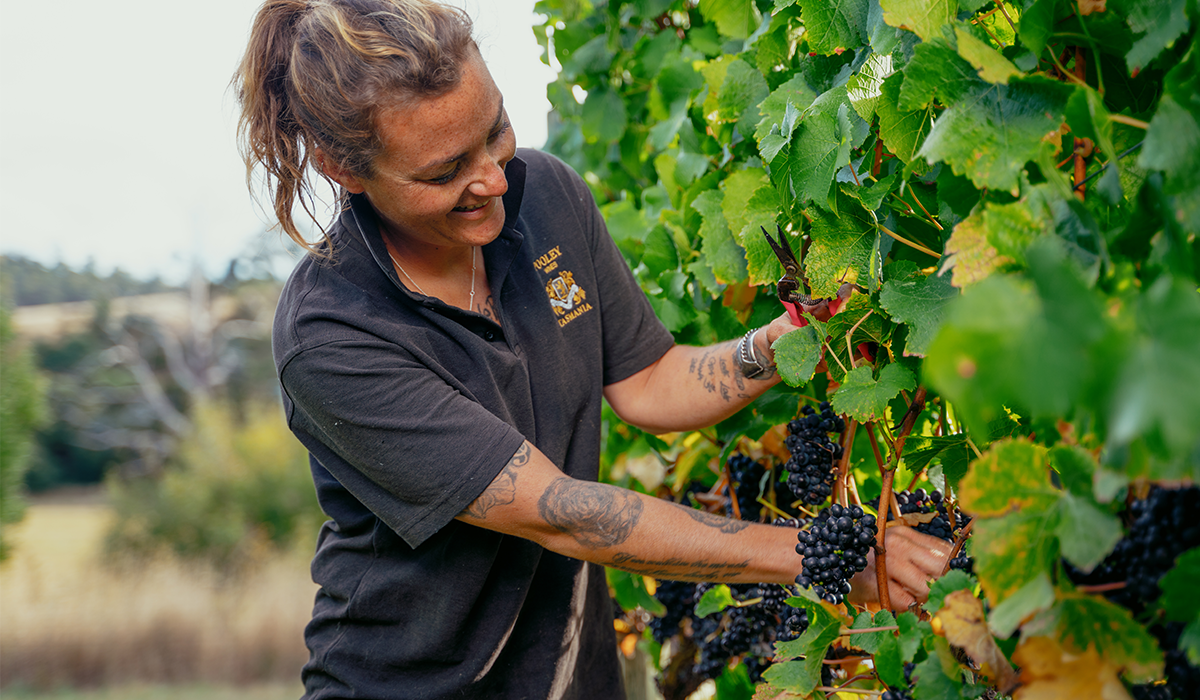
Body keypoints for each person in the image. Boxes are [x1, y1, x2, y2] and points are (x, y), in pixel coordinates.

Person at [234, 1, 952, 698]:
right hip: (413, 685)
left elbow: (651, 382)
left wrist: (777, 345)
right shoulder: (333, 334)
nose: (490, 178)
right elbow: (561, 513)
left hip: (574, 672)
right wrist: (823, 556)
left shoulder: (541, 195)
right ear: (343, 168)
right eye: (443, 172)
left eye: (496, 130)